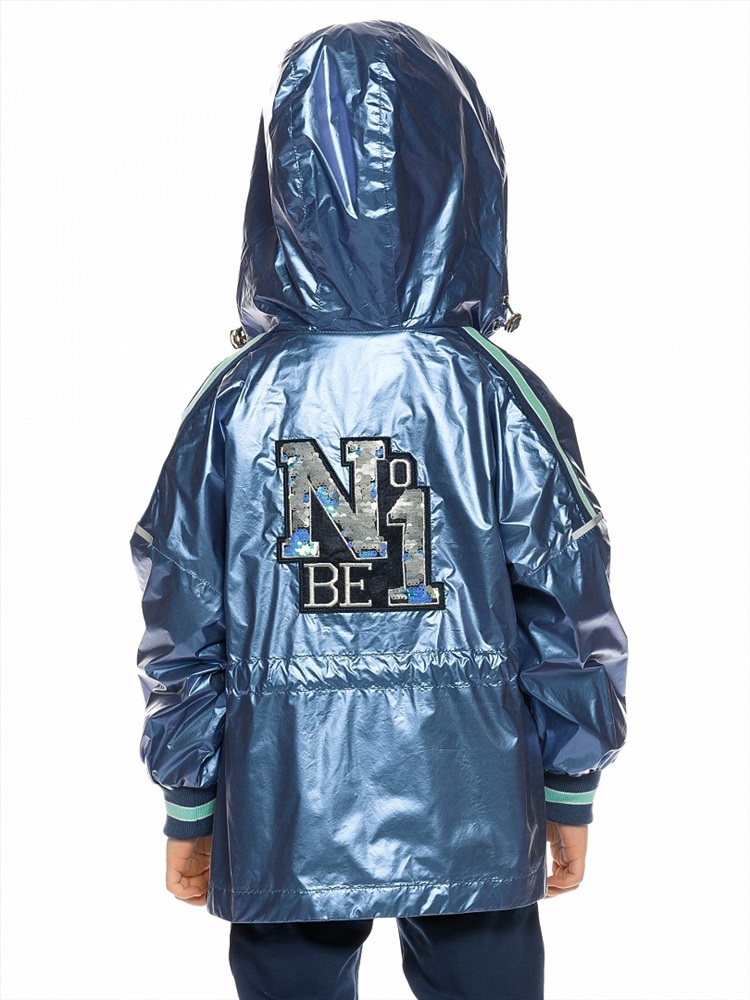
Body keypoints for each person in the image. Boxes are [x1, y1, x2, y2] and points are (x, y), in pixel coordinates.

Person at [130, 20, 628, 1000]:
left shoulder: (235, 402)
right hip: (473, 799)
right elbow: (568, 598)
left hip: (285, 800)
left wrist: (190, 798)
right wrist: (571, 779)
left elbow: (181, 607)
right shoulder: (495, 394)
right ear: (466, 180)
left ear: (282, 186)